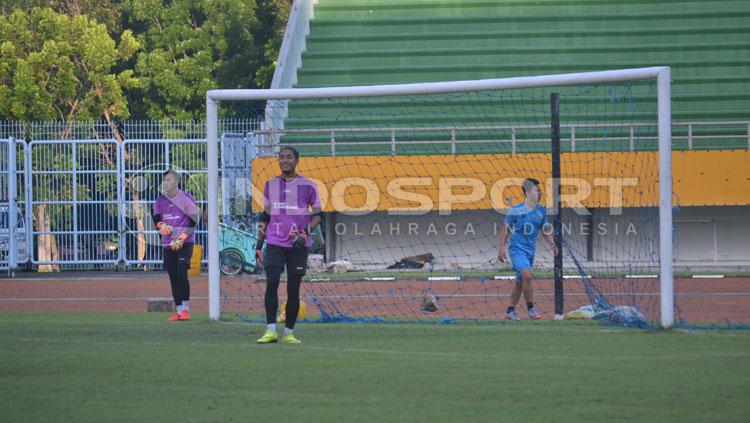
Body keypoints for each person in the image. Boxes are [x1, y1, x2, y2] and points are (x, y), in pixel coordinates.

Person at [255, 147, 322, 344]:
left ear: (297, 161)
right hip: (275, 242)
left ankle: (289, 333)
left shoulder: (308, 186)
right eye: (281, 157)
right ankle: (270, 331)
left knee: (293, 289)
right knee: (272, 283)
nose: (285, 161)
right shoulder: (270, 185)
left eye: (289, 157)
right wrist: (259, 244)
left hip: (298, 245)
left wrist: (304, 233)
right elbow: (265, 215)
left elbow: (318, 215)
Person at [497, 178, 559, 321]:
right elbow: (505, 228)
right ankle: (531, 309)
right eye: (537, 190)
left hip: (530, 251)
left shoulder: (541, 210)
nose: (540, 193)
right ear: (528, 193)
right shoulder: (516, 210)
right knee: (527, 275)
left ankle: (510, 311)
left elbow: (545, 229)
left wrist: (552, 244)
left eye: (540, 190)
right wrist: (501, 249)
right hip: (517, 249)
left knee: (520, 282)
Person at [152, 169, 200, 321]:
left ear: (177, 181)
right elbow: (157, 220)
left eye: (169, 180)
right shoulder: (160, 201)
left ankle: (186, 309)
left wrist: (181, 239)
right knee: (173, 276)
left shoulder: (186, 198)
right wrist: (161, 226)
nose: (166, 183)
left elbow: (194, 220)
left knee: (181, 273)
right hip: (168, 244)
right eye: (164, 180)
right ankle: (179, 311)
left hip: (184, 243)